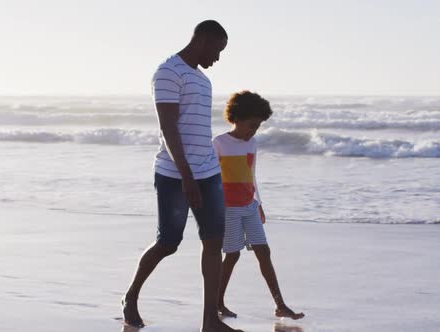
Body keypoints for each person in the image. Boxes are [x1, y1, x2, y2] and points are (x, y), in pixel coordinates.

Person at [121, 20, 243, 332]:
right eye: (217, 50)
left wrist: (207, 172)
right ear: (202, 40)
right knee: (169, 242)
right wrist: (187, 177)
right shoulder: (168, 72)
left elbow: (199, 131)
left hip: (208, 172)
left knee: (214, 242)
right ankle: (131, 297)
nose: (217, 58)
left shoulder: (203, 81)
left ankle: (209, 322)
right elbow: (168, 127)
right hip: (175, 174)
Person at [212, 91, 305, 320]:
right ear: (236, 118)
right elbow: (211, 179)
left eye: (258, 127)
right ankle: (218, 302)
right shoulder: (219, 143)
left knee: (264, 252)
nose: (253, 131)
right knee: (232, 255)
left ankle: (280, 305)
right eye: (251, 125)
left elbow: (252, 176)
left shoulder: (251, 144)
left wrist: (259, 203)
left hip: (249, 206)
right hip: (229, 209)